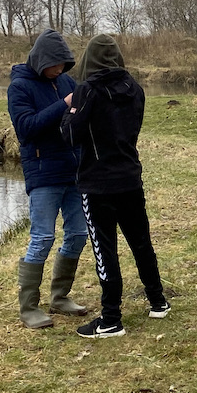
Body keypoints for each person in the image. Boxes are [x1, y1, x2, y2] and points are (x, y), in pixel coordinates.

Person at [61, 34, 169, 338]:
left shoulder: (87, 91)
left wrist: (69, 110)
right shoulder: (136, 89)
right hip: (130, 178)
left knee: (104, 250)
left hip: (98, 185)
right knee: (141, 242)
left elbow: (71, 135)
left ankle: (110, 319)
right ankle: (158, 301)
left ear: (88, 61)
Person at [7, 28, 89, 329]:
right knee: (42, 237)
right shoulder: (19, 87)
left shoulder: (65, 81)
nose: (60, 70)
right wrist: (64, 104)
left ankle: (60, 297)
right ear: (42, 61)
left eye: (64, 65)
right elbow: (27, 129)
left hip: (74, 170)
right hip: (43, 172)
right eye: (55, 65)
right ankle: (29, 307)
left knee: (78, 234)